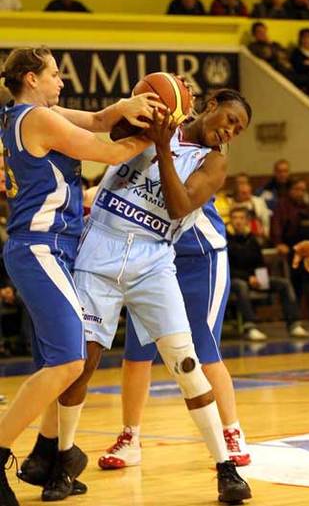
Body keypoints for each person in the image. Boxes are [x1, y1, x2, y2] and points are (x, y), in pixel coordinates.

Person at [20, 89, 253, 504]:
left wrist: (163, 149)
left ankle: (225, 468)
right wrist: (147, 99)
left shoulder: (213, 162)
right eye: (230, 118)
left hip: (154, 259)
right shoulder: (156, 120)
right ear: (211, 104)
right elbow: (103, 123)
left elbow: (179, 207)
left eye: (239, 129)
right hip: (99, 249)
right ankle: (62, 461)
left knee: (185, 362)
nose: (230, 131)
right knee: (82, 361)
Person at [0, 45, 166, 506]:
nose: (61, 81)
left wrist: (128, 107)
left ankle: (48, 456)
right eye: (54, 74)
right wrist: (158, 133)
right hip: (41, 246)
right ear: (31, 78)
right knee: (70, 362)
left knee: (55, 363)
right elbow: (106, 150)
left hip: (54, 248)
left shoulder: (26, 113)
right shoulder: (38, 118)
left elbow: (96, 120)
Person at [96, 198, 251, 471]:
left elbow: (179, 194)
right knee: (137, 354)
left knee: (205, 352)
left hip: (201, 259)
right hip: (151, 260)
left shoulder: (197, 155)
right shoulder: (133, 157)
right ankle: (130, 436)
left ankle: (232, 430)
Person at [227, 207, 308, 340]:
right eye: (235, 218)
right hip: (234, 280)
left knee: (284, 283)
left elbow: (260, 263)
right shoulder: (224, 239)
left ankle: (294, 324)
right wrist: (248, 278)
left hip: (255, 279)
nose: (238, 221)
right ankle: (251, 327)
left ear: (247, 220)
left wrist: (261, 279)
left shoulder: (253, 239)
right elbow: (226, 268)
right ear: (231, 220)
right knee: (241, 285)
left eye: (241, 218)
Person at [270, 178, 309, 321]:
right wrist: (279, 243)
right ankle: (294, 318)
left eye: (303, 190)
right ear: (290, 190)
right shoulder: (282, 206)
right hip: (291, 250)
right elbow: (276, 227)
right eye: (297, 189)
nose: (300, 193)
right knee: (295, 285)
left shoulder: (308, 207)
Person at [230, 181, 271, 245]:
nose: (247, 194)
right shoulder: (232, 204)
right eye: (243, 193)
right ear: (237, 193)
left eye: (248, 192)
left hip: (258, 235)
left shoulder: (258, 201)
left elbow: (265, 220)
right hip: (239, 237)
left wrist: (266, 233)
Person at [290, 27, 309, 97]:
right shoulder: (296, 53)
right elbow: (299, 68)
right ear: (300, 39)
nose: (306, 40)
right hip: (305, 81)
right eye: (304, 37)